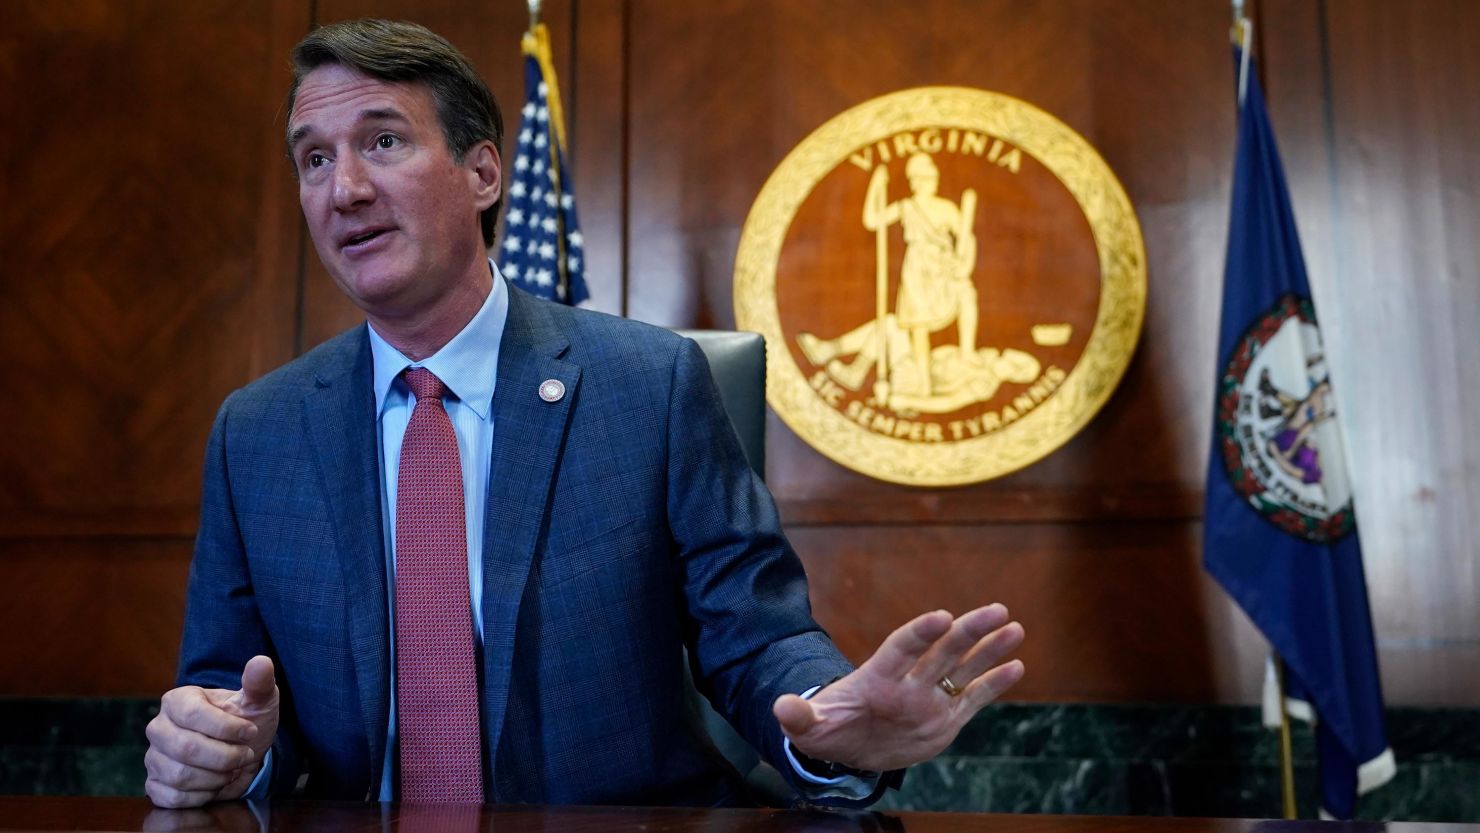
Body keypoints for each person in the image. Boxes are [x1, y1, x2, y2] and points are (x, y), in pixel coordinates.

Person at [143, 19, 1025, 809]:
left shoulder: (651, 386)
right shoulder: (256, 432)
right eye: (316, 158)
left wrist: (830, 726)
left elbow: (756, 639)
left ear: (484, 170)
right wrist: (220, 750)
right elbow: (231, 691)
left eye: (382, 141)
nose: (346, 189)